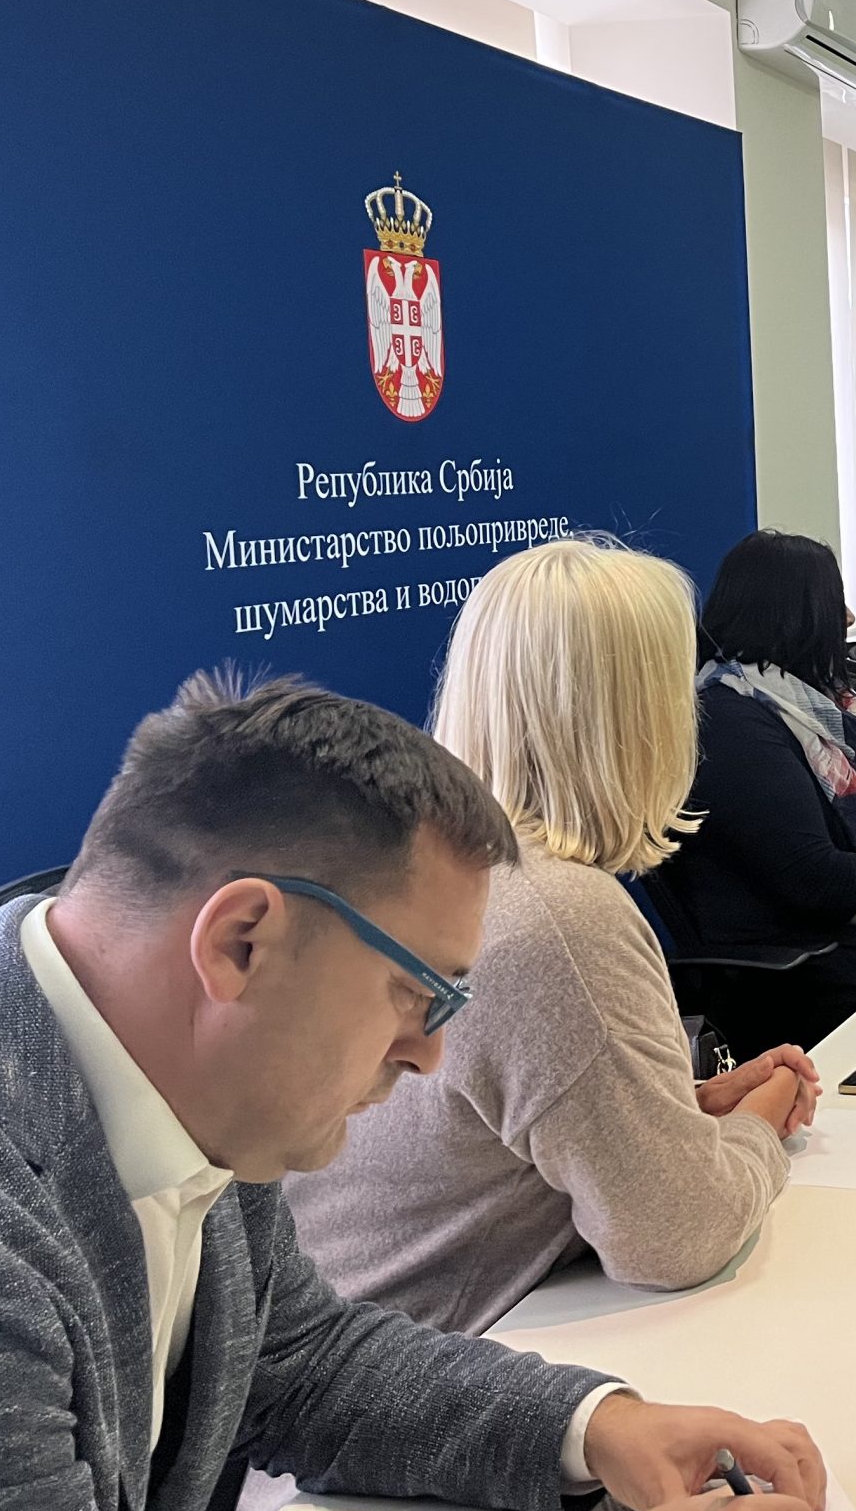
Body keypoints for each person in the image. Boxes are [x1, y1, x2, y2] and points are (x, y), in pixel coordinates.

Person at [0, 670, 827, 1511]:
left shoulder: (190, 1070)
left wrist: (599, 1428)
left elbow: (299, 1361)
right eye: (417, 993)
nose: (429, 1055)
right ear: (242, 942)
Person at [289, 538, 818, 1338]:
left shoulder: (412, 863)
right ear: (642, 717)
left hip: (356, 1338)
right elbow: (679, 1238)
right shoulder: (559, 917)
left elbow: (481, 1139)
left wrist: (680, 1114)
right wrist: (762, 1122)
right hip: (435, 1366)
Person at [635, 530, 856, 1056]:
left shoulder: (819, 705)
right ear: (793, 617)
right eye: (835, 604)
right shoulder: (729, 720)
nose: (848, 618)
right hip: (815, 975)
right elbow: (821, 880)